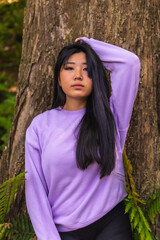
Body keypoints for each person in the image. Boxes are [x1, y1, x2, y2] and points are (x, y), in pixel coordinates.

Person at [25, 37, 140, 240]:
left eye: (87, 70)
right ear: (59, 79)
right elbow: (34, 189)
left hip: (111, 223)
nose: (78, 75)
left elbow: (129, 63)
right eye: (69, 68)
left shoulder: (111, 116)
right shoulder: (40, 126)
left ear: (95, 79)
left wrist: (88, 44)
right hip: (65, 231)